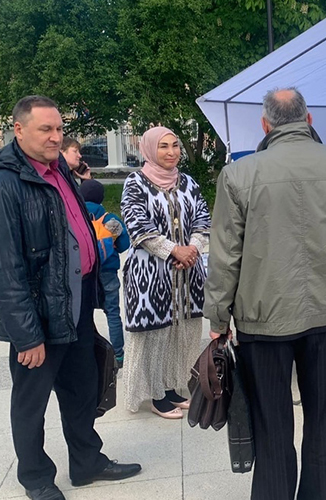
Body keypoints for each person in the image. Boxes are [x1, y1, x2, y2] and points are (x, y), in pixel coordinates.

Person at [205, 87, 326, 500]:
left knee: (271, 419)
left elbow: (225, 255)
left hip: (262, 316)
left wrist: (218, 317)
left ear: (265, 124)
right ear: (309, 119)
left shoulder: (238, 174)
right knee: (323, 414)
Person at [0, 95, 141, 500]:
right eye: (45, 129)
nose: (55, 136)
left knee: (81, 390)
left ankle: (87, 462)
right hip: (38, 317)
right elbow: (1, 270)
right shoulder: (1, 186)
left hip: (75, 306)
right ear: (18, 130)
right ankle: (35, 478)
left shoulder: (59, 170)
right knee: (31, 403)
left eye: (59, 128)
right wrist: (26, 335)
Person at [120, 127, 211, 419]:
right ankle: (156, 395)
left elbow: (202, 219)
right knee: (154, 335)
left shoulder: (188, 183)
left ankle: (171, 387)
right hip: (151, 274)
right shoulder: (135, 183)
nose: (171, 152)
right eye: (163, 146)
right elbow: (137, 224)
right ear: (149, 149)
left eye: (175, 145)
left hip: (186, 274)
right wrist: (174, 250)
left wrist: (192, 249)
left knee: (180, 332)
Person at [79, 179, 130, 364]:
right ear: (101, 198)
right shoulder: (110, 220)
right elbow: (124, 245)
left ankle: (87, 353)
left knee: (84, 315)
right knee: (113, 314)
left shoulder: (76, 216)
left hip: (83, 274)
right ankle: (118, 355)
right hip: (107, 273)